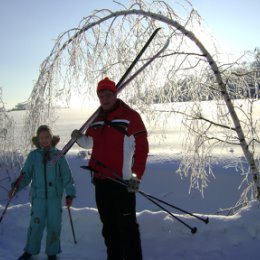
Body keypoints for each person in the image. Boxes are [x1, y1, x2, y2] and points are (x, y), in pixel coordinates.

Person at [71, 77, 149, 260]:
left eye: (108, 95)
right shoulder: (96, 119)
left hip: (123, 183)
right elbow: (91, 142)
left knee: (127, 227)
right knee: (109, 226)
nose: (105, 99)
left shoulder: (131, 116)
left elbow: (142, 148)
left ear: (115, 94)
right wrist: (79, 138)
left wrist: (136, 177)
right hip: (101, 181)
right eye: (101, 96)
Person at [9, 125, 76, 260]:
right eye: (42, 138)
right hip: (38, 198)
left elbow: (67, 176)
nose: (44, 140)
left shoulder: (59, 156)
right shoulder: (33, 156)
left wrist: (70, 193)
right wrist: (16, 187)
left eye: (47, 137)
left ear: (51, 138)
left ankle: (52, 253)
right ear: (38, 140)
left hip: (54, 199)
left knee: (54, 225)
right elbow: (26, 175)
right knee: (36, 224)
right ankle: (29, 250)